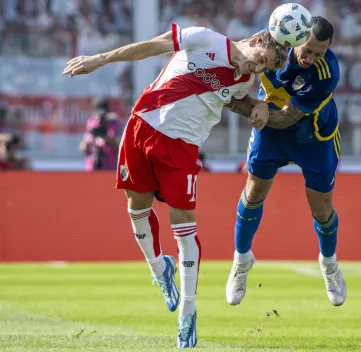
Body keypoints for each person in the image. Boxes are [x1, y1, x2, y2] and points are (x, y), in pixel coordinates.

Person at [62, 23, 287, 349]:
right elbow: (150, 46)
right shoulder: (204, 38)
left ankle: (188, 312)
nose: (255, 68)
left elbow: (234, 101)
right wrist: (100, 59)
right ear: (253, 41)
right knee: (136, 208)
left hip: (182, 147)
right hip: (142, 125)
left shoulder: (244, 80)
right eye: (257, 60)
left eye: (263, 68)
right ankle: (159, 268)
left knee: (184, 225)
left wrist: (259, 105)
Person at [224, 16, 347, 308]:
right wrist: (224, 89)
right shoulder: (270, 44)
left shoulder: (327, 72)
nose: (311, 58)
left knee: (321, 209)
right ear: (296, 38)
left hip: (313, 135)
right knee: (253, 193)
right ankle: (241, 262)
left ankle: (329, 266)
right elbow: (237, 61)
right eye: (308, 49)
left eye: (319, 53)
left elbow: (284, 118)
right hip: (271, 130)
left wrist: (236, 104)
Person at [79, 98, 122, 171]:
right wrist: (89, 141)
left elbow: (122, 149)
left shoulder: (115, 123)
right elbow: (82, 148)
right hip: (92, 167)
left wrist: (109, 139)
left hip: (109, 167)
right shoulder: (91, 122)